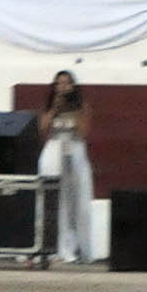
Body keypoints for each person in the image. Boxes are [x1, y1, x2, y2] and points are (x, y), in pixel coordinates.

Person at [38, 70, 96, 266]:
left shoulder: (82, 106)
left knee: (74, 201)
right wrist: (54, 109)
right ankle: (51, 246)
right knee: (53, 199)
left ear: (73, 86)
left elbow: (84, 131)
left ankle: (73, 246)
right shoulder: (49, 106)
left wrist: (74, 110)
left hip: (74, 150)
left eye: (67, 83)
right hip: (53, 151)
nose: (62, 87)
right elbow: (43, 129)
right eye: (59, 83)